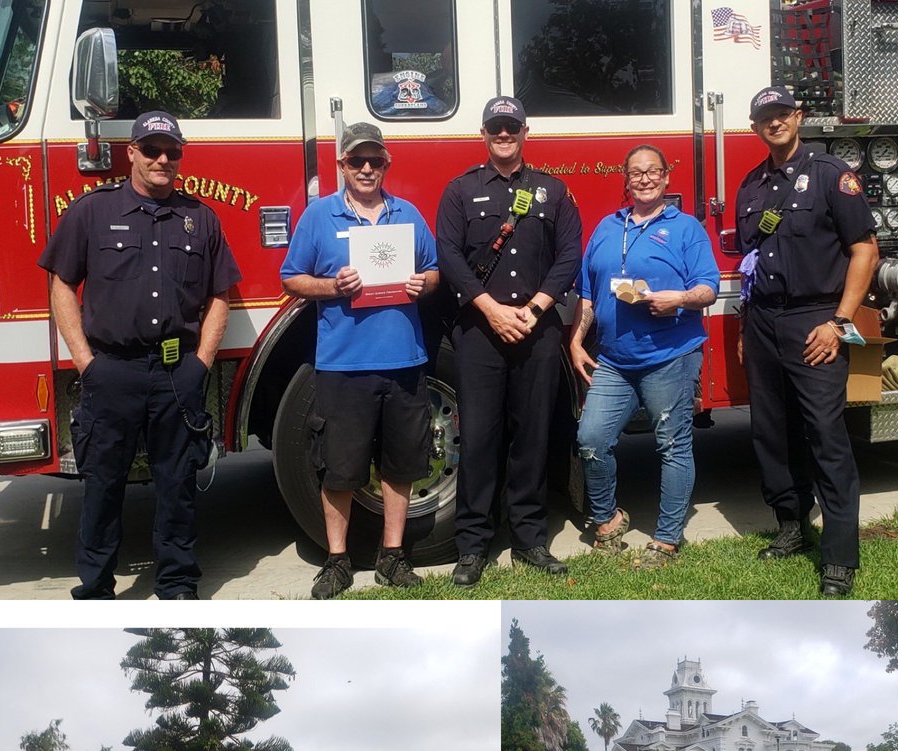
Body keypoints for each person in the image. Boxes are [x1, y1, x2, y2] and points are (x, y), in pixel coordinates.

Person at [39, 111, 240, 600]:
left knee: (178, 485)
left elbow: (220, 296)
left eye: (172, 151)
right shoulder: (92, 212)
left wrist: (201, 363)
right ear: (131, 152)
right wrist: (87, 362)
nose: (163, 160)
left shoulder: (201, 218)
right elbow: (62, 283)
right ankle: (95, 587)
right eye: (151, 150)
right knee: (102, 484)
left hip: (176, 373)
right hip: (112, 372)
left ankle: (176, 584)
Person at [280, 121, 440, 598]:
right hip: (342, 364)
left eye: (375, 161)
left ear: (387, 165)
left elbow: (432, 271)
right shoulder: (318, 217)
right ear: (341, 166)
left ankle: (392, 557)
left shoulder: (408, 214)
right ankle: (336, 560)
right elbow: (292, 278)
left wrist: (422, 284)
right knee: (340, 468)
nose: (367, 168)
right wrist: (332, 287)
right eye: (357, 161)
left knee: (400, 465)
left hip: (404, 361)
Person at [735, 86, 878, 597]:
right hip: (764, 321)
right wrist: (746, 324)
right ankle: (792, 526)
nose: (774, 123)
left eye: (782, 114)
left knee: (825, 434)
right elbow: (751, 262)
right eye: (764, 117)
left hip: (816, 320)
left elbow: (865, 251)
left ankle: (839, 557)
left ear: (799, 117)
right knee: (771, 433)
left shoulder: (831, 176)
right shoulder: (750, 185)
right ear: (753, 126)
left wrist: (839, 322)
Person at [436, 96, 582, 586]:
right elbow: (449, 257)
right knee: (478, 438)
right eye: (496, 127)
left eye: (512, 127)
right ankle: (473, 546)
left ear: (525, 132)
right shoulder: (459, 191)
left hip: (536, 331)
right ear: (483, 133)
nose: (504, 135)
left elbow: (568, 257)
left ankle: (529, 539)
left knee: (532, 436)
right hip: (480, 331)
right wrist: (493, 311)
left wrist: (536, 308)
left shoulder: (554, 191)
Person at [569, 144, 719, 566]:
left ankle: (667, 540)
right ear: (626, 179)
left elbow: (708, 287)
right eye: (636, 172)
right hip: (615, 361)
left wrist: (680, 299)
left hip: (670, 355)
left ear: (667, 176)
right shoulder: (606, 227)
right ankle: (609, 520)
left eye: (653, 171)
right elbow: (588, 291)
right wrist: (578, 339)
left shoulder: (686, 227)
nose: (645, 178)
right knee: (592, 439)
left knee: (673, 445)